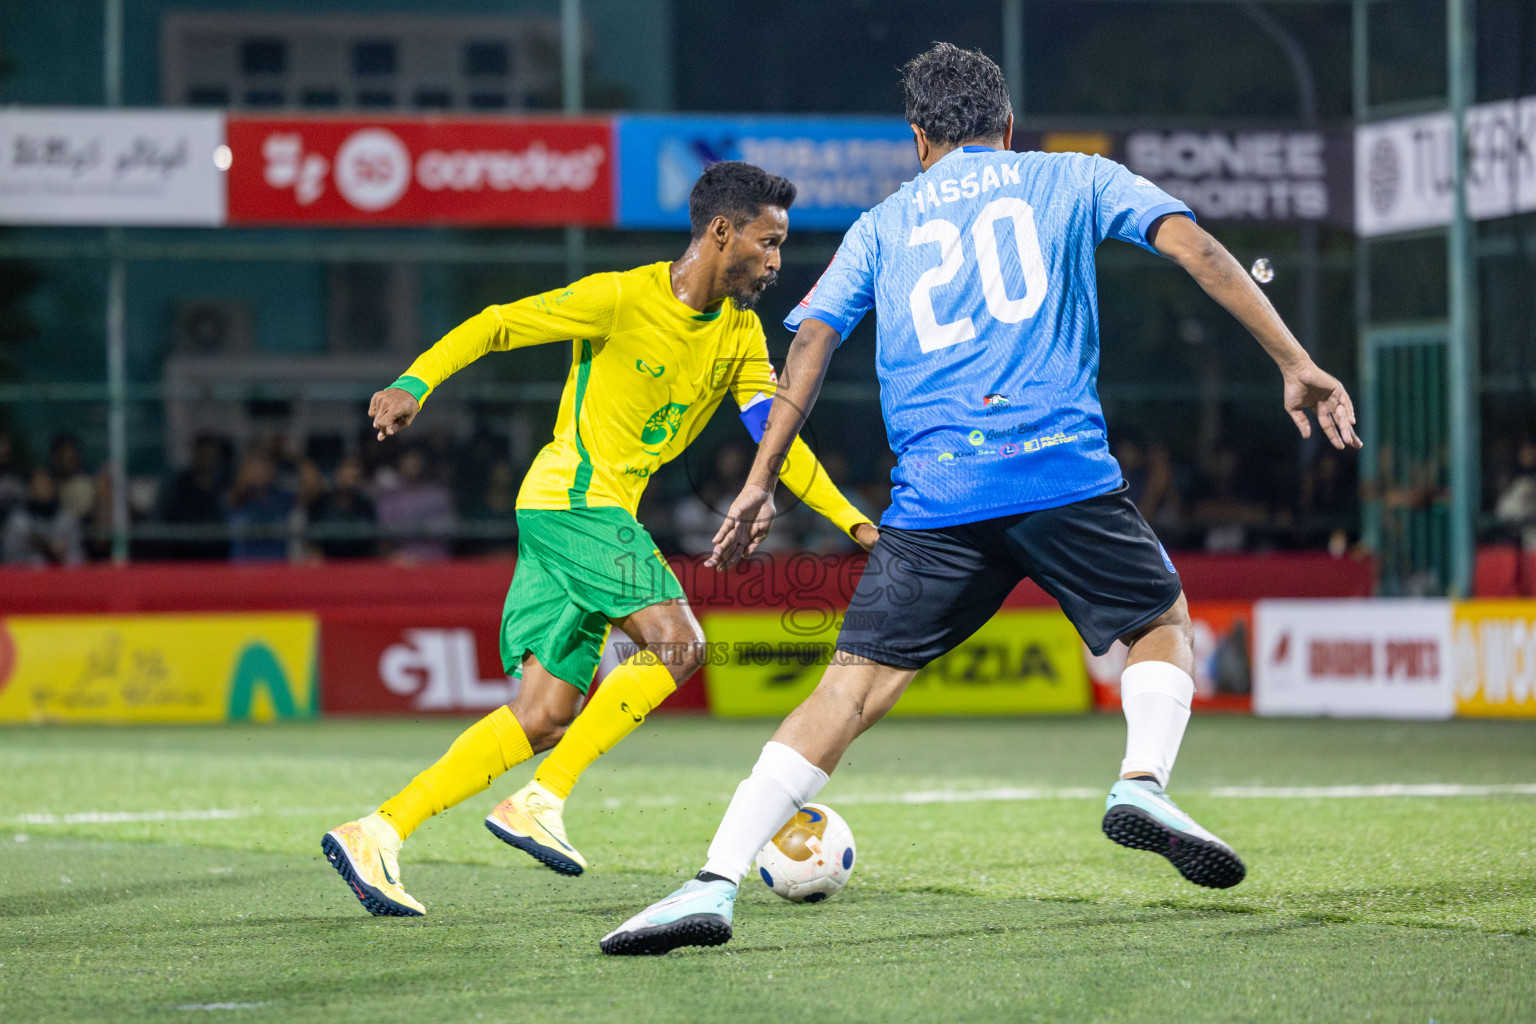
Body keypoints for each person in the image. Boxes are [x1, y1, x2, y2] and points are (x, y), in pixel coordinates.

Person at [601, 43, 1362, 955]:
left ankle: (712, 882)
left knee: (846, 695)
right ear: (1007, 125)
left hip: (935, 497)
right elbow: (1193, 246)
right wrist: (1295, 362)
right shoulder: (1075, 176)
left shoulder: (879, 226)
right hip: (1059, 473)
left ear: (919, 139)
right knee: (1160, 620)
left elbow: (809, 345)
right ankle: (1140, 783)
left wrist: (761, 479)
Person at [322, 161, 877, 917]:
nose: (778, 263)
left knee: (543, 715)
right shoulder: (621, 297)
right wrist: (414, 383)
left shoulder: (740, 334)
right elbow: (496, 323)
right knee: (680, 646)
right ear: (722, 232)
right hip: (571, 503)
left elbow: (774, 440)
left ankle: (377, 831)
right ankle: (542, 800)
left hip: (585, 517)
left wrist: (851, 520)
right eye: (768, 242)